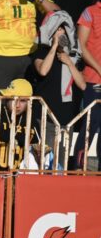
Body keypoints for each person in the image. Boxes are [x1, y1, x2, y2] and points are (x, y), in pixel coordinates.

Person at [31, 11, 85, 168]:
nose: (61, 33)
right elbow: (43, 70)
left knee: (60, 161)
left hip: (66, 117)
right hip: (46, 116)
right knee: (44, 159)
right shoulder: (40, 50)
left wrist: (68, 62)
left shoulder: (73, 55)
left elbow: (82, 84)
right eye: (57, 29)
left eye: (64, 29)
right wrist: (54, 46)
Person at [73, 0, 101, 170]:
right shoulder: (90, 12)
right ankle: (76, 170)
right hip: (94, 80)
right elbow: (81, 46)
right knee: (90, 127)